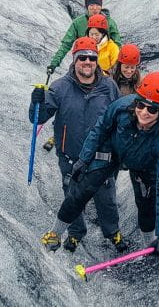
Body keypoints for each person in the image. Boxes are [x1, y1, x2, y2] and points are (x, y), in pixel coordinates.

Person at [40, 72, 159, 256]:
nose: (144, 112)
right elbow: (100, 128)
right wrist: (84, 158)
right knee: (81, 189)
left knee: (147, 205)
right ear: (136, 101)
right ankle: (55, 233)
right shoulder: (122, 106)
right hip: (113, 150)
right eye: (141, 105)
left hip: (145, 163)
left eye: (152, 110)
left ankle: (151, 244)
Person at [30, 37, 127, 253]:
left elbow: (121, 119)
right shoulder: (60, 87)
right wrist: (36, 102)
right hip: (70, 157)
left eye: (91, 57)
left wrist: (121, 151)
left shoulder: (109, 87)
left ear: (97, 60)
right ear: (74, 60)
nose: (87, 61)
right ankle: (75, 233)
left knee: (107, 199)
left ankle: (112, 232)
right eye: (82, 57)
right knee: (72, 197)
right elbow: (38, 119)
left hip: (102, 158)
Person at [47, 0, 121, 76]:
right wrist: (54, 64)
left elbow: (117, 46)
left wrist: (114, 73)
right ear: (87, 6)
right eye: (91, 5)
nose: (95, 8)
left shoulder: (110, 23)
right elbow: (66, 45)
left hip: (105, 67)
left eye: (97, 5)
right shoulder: (78, 23)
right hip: (84, 62)